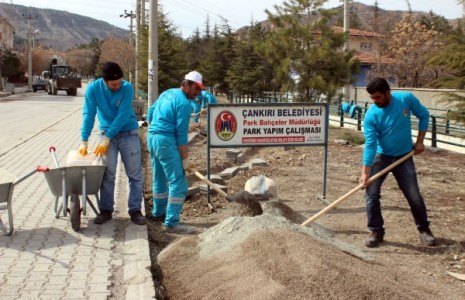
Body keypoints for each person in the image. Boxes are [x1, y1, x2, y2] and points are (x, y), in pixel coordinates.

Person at [360, 77, 436, 248]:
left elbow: (424, 115)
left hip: (404, 156)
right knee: (371, 194)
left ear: (388, 92)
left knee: (413, 195)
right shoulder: (371, 115)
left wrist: (420, 141)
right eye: (372, 98)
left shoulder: (405, 99)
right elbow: (370, 145)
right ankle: (376, 231)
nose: (375, 101)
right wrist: (365, 173)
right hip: (382, 156)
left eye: (378, 97)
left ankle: (424, 230)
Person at [77, 62, 146, 225]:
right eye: (114, 84)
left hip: (128, 133)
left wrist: (107, 137)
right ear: (104, 81)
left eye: (119, 82)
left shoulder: (127, 88)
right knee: (108, 174)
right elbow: (89, 114)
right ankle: (106, 210)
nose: (118, 86)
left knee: (134, 174)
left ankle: (135, 210)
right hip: (106, 135)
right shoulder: (93, 89)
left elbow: (123, 116)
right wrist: (84, 140)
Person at [146, 71, 204, 233]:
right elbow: (181, 135)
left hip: (152, 139)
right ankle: (171, 223)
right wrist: (185, 159)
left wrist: (154, 129)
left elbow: (150, 111)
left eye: (200, 89)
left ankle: (158, 213)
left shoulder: (167, 93)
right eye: (195, 88)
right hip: (166, 142)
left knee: (159, 178)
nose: (197, 92)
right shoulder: (185, 104)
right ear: (186, 84)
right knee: (179, 182)